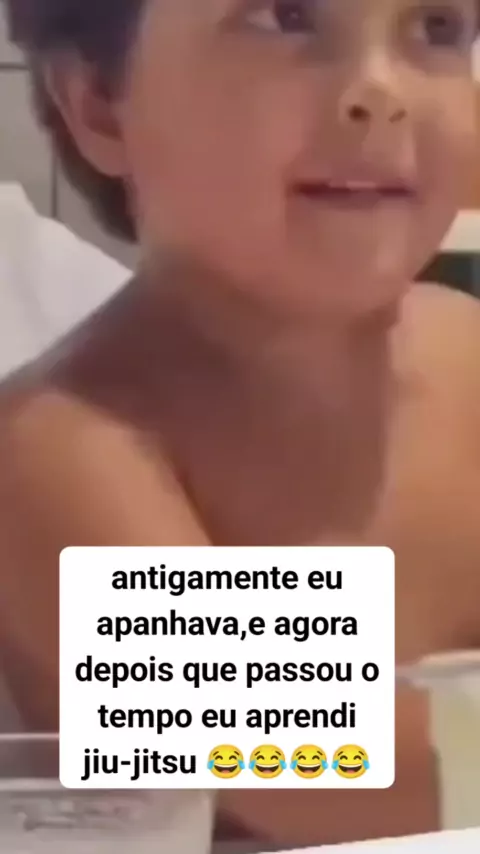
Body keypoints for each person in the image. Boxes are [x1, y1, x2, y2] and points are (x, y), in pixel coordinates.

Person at [1, 0, 480, 846]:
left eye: (436, 29)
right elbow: (311, 771)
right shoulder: (59, 448)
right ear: (100, 104)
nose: (381, 91)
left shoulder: (468, 354)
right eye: (284, 17)